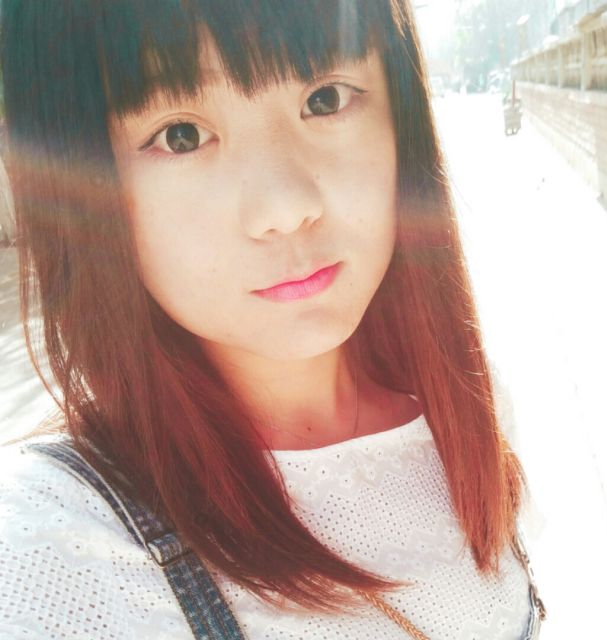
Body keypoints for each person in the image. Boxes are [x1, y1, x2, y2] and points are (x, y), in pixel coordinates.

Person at [0, 1, 544, 638]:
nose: (285, 207)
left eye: (325, 99)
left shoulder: (469, 405)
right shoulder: (53, 548)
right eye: (181, 135)